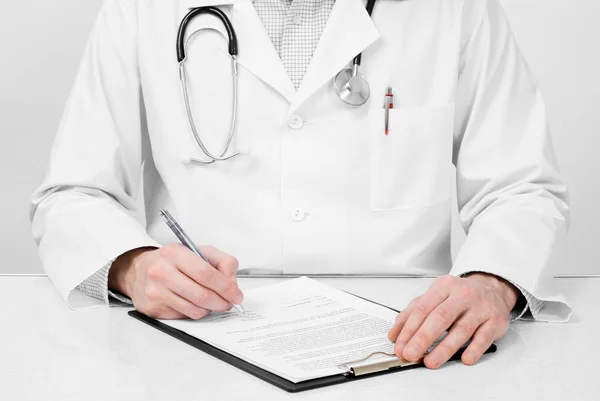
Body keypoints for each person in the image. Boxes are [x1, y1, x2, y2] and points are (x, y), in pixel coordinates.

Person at [31, 0, 571, 370]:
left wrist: (491, 281)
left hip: (407, 350)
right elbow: (74, 194)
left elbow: (521, 186)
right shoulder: (144, 7)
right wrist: (132, 266)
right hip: (193, 342)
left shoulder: (455, 9)